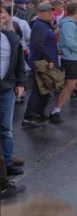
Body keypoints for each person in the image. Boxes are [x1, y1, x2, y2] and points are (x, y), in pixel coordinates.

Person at [22, 3, 58, 128]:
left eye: (51, 12)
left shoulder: (45, 25)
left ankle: (39, 113)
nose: (50, 14)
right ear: (39, 13)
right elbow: (38, 45)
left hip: (45, 60)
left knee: (46, 88)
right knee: (39, 89)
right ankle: (29, 117)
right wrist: (48, 59)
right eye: (47, 12)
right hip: (41, 61)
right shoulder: (40, 26)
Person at [0, 10, 26, 180]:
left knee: (6, 129)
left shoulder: (11, 38)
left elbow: (19, 63)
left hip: (6, 89)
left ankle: (8, 164)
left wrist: (21, 83)